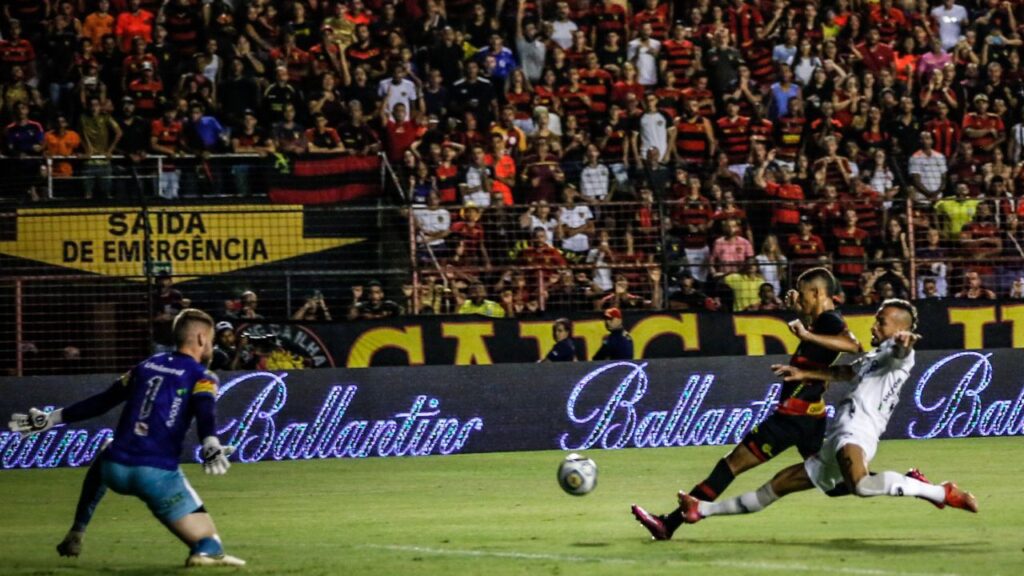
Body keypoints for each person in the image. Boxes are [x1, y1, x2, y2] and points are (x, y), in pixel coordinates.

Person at [667, 300, 978, 526]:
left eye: (881, 322)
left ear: (900, 328)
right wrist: (804, 374)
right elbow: (845, 372)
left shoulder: (898, 356)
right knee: (775, 486)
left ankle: (940, 492)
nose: (874, 325)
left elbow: (901, 352)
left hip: (858, 431)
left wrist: (904, 344)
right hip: (836, 437)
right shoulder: (875, 356)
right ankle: (700, 510)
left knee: (860, 486)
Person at [632, 267, 860, 540]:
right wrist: (801, 313)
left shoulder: (830, 320)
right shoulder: (822, 321)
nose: (799, 298)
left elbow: (852, 345)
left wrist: (806, 335)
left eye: (802, 294)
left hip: (793, 417)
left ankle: (669, 524)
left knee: (731, 464)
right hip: (810, 416)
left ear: (817, 292)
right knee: (831, 481)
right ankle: (897, 483)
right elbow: (821, 345)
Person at [7, 309, 244, 566]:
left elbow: (102, 401)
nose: (211, 346)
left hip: (115, 469)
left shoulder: (146, 366)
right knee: (209, 543)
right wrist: (210, 441)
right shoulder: (203, 376)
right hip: (155, 475)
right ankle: (204, 553)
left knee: (107, 448)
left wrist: (50, 419)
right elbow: (205, 409)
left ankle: (78, 530)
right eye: (211, 340)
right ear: (200, 338)